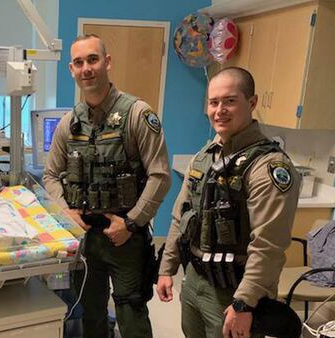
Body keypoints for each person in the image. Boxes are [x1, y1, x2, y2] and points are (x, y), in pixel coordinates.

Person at [156, 67, 301, 338]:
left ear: (253, 102)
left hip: (234, 291)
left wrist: (244, 303)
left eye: (230, 101)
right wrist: (167, 268)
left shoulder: (268, 167)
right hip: (194, 281)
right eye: (213, 102)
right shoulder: (205, 157)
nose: (219, 110)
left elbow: (268, 245)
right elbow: (180, 217)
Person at [43, 34, 171, 338]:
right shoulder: (68, 124)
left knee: (131, 314)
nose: (86, 68)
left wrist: (131, 222)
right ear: (71, 70)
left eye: (92, 59)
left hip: (125, 237)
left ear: (107, 62)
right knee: (91, 313)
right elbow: (50, 175)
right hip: (87, 239)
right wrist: (65, 212)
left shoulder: (137, 115)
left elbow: (160, 175)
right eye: (78, 63)